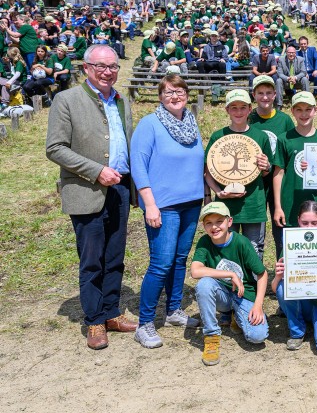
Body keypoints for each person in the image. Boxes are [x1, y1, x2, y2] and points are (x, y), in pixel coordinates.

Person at [46, 45, 137, 350]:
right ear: (86, 68)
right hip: (88, 190)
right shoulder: (66, 100)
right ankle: (94, 319)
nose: (108, 71)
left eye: (113, 66)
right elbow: (55, 148)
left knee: (114, 256)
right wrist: (96, 171)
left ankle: (111, 312)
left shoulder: (122, 100)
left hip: (121, 188)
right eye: (101, 66)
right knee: (92, 259)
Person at [130, 74, 204, 348]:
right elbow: (138, 165)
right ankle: (145, 323)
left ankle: (173, 310)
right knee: (161, 263)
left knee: (180, 258)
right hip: (164, 204)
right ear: (161, 96)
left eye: (180, 90)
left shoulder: (191, 124)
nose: (175, 96)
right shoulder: (149, 124)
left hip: (192, 202)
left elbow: (199, 163)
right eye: (169, 92)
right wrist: (149, 203)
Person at [191, 202, 269, 366]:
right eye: (209, 223)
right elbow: (195, 271)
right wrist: (230, 273)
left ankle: (237, 316)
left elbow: (262, 274)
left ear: (229, 222)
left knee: (257, 336)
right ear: (204, 226)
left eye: (219, 221)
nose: (214, 227)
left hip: (244, 294)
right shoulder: (205, 242)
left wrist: (258, 305)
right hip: (223, 294)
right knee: (204, 284)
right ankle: (211, 337)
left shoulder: (241, 242)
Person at [204, 89, 273, 259]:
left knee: (254, 249)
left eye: (243, 107)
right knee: (226, 248)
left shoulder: (260, 137)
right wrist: (217, 192)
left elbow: (265, 173)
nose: (238, 112)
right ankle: (229, 285)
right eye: (233, 107)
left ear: (250, 109)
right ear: (227, 110)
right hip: (225, 205)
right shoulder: (218, 136)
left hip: (253, 205)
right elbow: (208, 172)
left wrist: (266, 166)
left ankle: (254, 285)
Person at [273, 201, 317, 354]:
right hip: (302, 302)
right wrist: (278, 276)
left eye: (315, 222)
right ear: (298, 220)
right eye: (305, 223)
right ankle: (297, 330)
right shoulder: (290, 243)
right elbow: (276, 289)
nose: (309, 228)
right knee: (282, 286)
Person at [272, 92, 317, 244]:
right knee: (287, 250)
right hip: (290, 204)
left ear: (315, 110)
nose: (304, 114)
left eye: (308, 109)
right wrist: (278, 206)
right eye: (299, 109)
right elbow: (278, 172)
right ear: (292, 112)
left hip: (316, 202)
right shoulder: (284, 139)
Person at [248, 75, 295, 255]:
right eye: (260, 93)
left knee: (280, 227)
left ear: (275, 95)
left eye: (269, 93)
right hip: (256, 182)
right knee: (256, 231)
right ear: (254, 95)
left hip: (279, 181)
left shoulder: (284, 120)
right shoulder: (249, 118)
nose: (265, 97)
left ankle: (282, 267)